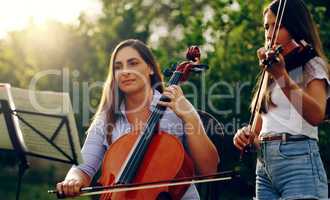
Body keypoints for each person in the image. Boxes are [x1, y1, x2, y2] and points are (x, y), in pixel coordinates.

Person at [56, 39, 219, 199]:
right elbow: (83, 168)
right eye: (118, 67)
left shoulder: (176, 108)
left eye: (133, 63)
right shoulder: (106, 119)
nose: (125, 71)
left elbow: (209, 171)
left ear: (150, 68)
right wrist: (73, 179)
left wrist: (190, 116)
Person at [233, 0, 329, 199]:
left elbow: (316, 115)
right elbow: (257, 132)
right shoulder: (271, 71)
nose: (269, 34)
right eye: (266, 27)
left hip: (299, 161)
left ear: (295, 27)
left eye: (278, 26)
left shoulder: (310, 64)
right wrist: (246, 135)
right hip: (265, 167)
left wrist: (282, 77)